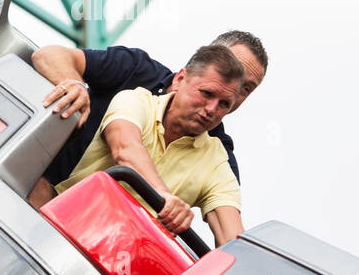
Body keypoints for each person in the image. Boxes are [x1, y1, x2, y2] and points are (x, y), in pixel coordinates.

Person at [53, 44, 245, 246]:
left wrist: (242, 263)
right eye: (206, 93)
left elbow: (230, 234)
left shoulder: (216, 160)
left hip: (119, 258)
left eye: (224, 104)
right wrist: (163, 196)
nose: (212, 109)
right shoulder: (135, 101)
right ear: (179, 80)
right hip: (62, 222)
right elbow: (126, 149)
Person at [31, 30, 268, 192]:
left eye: (245, 88)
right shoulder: (137, 71)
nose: (232, 89)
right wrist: (74, 84)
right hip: (38, 184)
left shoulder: (218, 154)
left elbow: (227, 220)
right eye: (229, 71)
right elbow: (49, 55)